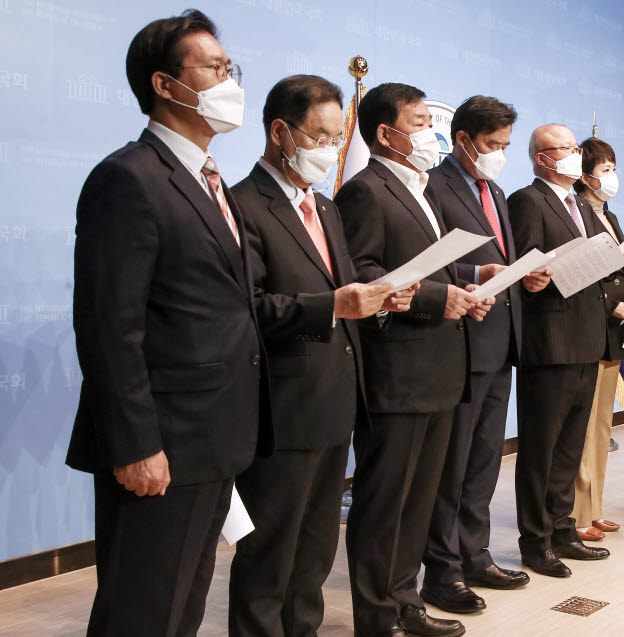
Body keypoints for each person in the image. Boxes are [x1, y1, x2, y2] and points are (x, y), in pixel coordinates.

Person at [65, 11, 273, 636]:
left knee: (184, 599)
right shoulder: (128, 178)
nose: (229, 81)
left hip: (213, 434)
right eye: (213, 68)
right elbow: (108, 328)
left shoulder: (209, 179)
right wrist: (135, 444)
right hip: (162, 441)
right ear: (164, 84)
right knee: (142, 605)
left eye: (229, 68)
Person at [227, 75, 415, 636]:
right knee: (269, 554)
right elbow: (249, 308)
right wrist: (332, 305)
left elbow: (350, 286)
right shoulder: (242, 206)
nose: (331, 150)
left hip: (335, 400)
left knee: (314, 552)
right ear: (281, 132)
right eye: (320, 136)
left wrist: (386, 298)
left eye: (339, 138)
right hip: (281, 406)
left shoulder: (327, 207)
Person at [335, 82, 493, 637]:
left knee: (418, 500)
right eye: (422, 123)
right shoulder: (365, 189)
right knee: (384, 503)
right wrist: (437, 299)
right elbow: (364, 274)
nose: (432, 134)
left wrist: (469, 282)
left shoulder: (419, 187)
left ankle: (405, 599)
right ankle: (376, 615)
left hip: (437, 370)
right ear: (386, 133)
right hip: (396, 373)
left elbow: (427, 266)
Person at [420, 96, 547, 614]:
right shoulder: (432, 185)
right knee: (451, 467)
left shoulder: (493, 188)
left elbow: (501, 261)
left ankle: (475, 553)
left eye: (506, 146)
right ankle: (442, 570)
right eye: (492, 145)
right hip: (460, 342)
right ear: (463, 139)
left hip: (500, 340)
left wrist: (526, 274)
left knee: (484, 462)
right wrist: (477, 277)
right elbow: (425, 264)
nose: (499, 154)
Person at [507, 123, 610, 578]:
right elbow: (526, 271)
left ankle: (563, 527)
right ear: (542, 158)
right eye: (566, 149)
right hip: (549, 341)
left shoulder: (580, 203)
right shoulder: (528, 200)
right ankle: (535, 540)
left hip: (586, 337)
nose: (575, 154)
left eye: (575, 147)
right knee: (541, 448)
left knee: (569, 446)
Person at [570, 137, 624, 542]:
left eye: (614, 168)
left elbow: (618, 277)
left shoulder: (611, 215)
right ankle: (577, 512)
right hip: (589, 328)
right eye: (606, 170)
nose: (613, 177)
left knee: (603, 425)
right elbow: (582, 277)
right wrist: (610, 307)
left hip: (613, 335)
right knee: (583, 428)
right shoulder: (577, 211)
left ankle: (597, 506)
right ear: (584, 175)